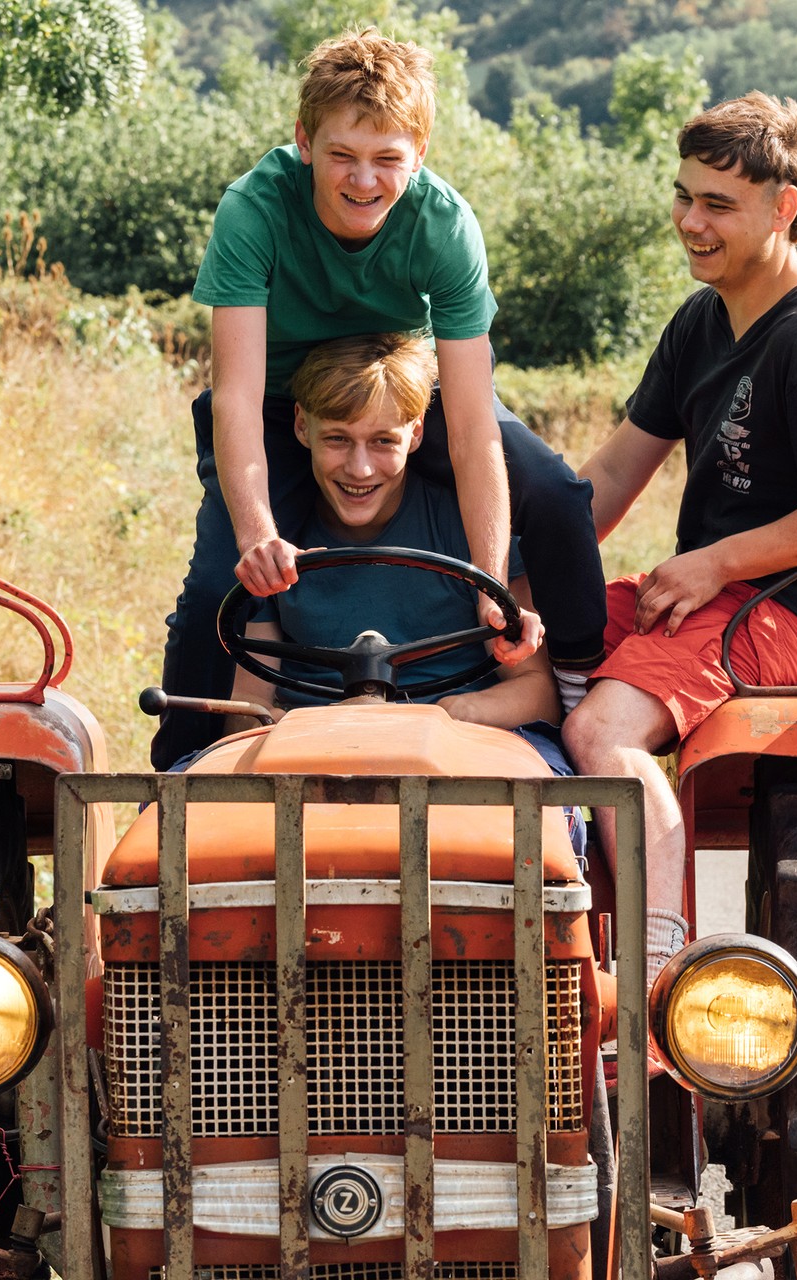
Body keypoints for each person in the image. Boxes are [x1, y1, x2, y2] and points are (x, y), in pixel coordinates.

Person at [154, 28, 606, 770]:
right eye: (343, 157)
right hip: (280, 403)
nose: (364, 181)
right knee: (215, 590)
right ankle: (175, 768)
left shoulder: (445, 225)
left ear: (418, 156)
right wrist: (256, 533)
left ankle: (577, 693)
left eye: (388, 160)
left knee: (555, 493)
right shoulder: (253, 211)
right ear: (304, 142)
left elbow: (468, 424)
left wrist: (492, 584)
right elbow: (234, 396)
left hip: (398, 392)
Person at [561, 92, 797, 980]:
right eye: (684, 197)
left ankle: (659, 975)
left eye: (717, 205)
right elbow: (611, 478)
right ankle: (551, 928)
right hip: (715, 588)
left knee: (604, 735)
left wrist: (714, 561)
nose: (691, 222)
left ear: (782, 207)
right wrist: (511, 586)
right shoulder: (704, 320)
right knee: (520, 657)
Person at [221, 333, 585, 852]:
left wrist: (445, 718)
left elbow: (535, 687)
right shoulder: (275, 544)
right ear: (302, 425)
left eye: (383, 441)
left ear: (416, 434)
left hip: (464, 746)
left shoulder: (470, 533)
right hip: (312, 753)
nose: (360, 468)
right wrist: (299, 733)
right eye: (338, 439)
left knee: (537, 826)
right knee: (175, 818)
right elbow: (249, 702)